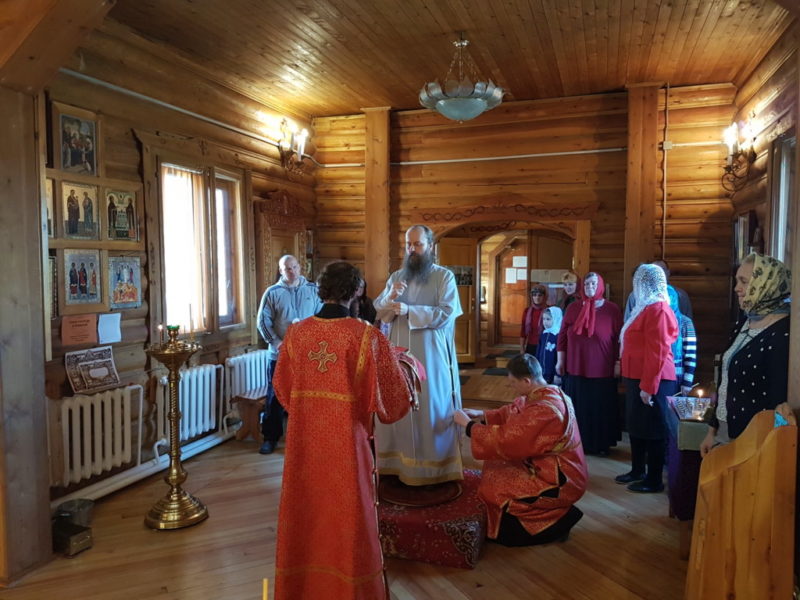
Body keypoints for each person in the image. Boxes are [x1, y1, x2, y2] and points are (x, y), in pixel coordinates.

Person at [272, 261, 413, 600]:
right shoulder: (366, 336)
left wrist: (310, 411)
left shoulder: (297, 334)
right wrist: (408, 370)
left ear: (322, 290)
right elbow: (394, 401)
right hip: (347, 446)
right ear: (356, 291)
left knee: (306, 510)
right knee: (348, 512)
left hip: (304, 444)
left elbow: (282, 389)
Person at [453, 354, 587, 546]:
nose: (511, 387)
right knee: (496, 466)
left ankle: (556, 522)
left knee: (495, 489)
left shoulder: (546, 410)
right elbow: (516, 411)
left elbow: (508, 440)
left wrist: (469, 426)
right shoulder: (547, 392)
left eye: (513, 383)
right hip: (545, 465)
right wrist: (482, 414)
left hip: (558, 481)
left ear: (526, 381)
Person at [373, 224, 464, 485]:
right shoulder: (396, 276)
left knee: (429, 406)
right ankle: (398, 466)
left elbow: (447, 313)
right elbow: (381, 312)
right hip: (399, 355)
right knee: (401, 405)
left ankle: (435, 470)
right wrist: (390, 297)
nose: (412, 249)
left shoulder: (444, 277)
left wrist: (410, 311)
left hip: (430, 356)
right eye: (408, 244)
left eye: (418, 244)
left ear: (430, 246)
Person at [700, 253, 791, 455]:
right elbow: (725, 381)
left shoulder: (783, 333)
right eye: (737, 281)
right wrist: (712, 431)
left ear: (766, 285)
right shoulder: (745, 321)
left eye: (744, 281)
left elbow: (778, 398)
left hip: (754, 438)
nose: (736, 288)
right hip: (725, 429)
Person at [615, 264, 678, 493]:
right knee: (637, 426)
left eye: (639, 282)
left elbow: (657, 351)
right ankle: (637, 470)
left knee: (653, 429)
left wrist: (648, 386)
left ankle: (653, 480)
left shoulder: (659, 309)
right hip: (637, 377)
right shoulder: (644, 308)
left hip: (654, 379)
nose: (636, 287)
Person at [256, 254, 322, 454]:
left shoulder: (314, 290)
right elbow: (263, 321)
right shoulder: (272, 292)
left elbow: (321, 317)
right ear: (281, 270)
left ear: (300, 268)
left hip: (308, 355)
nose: (291, 271)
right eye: (287, 268)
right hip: (280, 355)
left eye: (294, 267)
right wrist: (276, 343)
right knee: (275, 395)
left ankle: (308, 436)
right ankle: (270, 437)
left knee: (309, 395)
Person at [556, 272, 622, 456]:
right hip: (575, 366)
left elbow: (619, 339)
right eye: (586, 284)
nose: (590, 287)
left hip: (602, 369)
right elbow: (562, 336)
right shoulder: (573, 308)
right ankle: (577, 443)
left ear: (600, 286)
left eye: (593, 284)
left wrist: (618, 362)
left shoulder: (612, 309)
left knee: (600, 408)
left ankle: (601, 445)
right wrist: (560, 360)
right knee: (578, 407)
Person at [624, 259, 693, 320]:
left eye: (662, 269)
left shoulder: (680, 295)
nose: (659, 273)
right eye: (655, 271)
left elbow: (687, 320)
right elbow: (628, 320)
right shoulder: (635, 295)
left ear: (668, 272)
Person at [667, 285, 698, 396]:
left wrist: (687, 382)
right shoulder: (657, 321)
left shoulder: (685, 322)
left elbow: (690, 353)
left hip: (677, 379)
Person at [535, 306, 562, 384]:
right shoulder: (543, 334)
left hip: (553, 374)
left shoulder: (558, 336)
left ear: (556, 319)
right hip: (541, 373)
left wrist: (558, 374)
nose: (545, 322)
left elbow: (560, 358)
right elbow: (538, 352)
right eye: (543, 319)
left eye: (548, 319)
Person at [520, 283, 549, 355]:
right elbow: (523, 331)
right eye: (534, 295)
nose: (537, 298)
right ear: (531, 297)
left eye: (540, 295)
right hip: (531, 345)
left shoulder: (549, 310)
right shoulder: (527, 311)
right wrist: (522, 348)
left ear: (544, 296)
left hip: (545, 345)